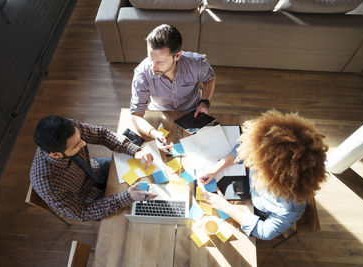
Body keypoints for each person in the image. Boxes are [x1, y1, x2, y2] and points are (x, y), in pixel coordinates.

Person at [199, 110, 328, 240]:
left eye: (259, 167)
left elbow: (264, 232)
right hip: (247, 194)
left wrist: (226, 207)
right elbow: (245, 149)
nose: (253, 163)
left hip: (257, 212)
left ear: (275, 178)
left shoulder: (290, 207)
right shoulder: (266, 148)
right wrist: (217, 167)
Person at [30, 116, 157, 221]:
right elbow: (82, 213)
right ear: (56, 155)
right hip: (90, 197)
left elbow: (101, 135)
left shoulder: (70, 128)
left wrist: (134, 150)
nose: (84, 143)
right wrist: (126, 197)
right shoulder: (46, 183)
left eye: (80, 138)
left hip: (95, 168)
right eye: (76, 145)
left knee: (144, 175)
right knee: (137, 213)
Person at [130, 24, 215, 151]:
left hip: (193, 112)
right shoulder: (142, 73)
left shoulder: (197, 64)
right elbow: (136, 114)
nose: (153, 67)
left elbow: (209, 79)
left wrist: (205, 102)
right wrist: (154, 133)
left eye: (160, 62)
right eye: (150, 58)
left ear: (177, 56)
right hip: (160, 114)